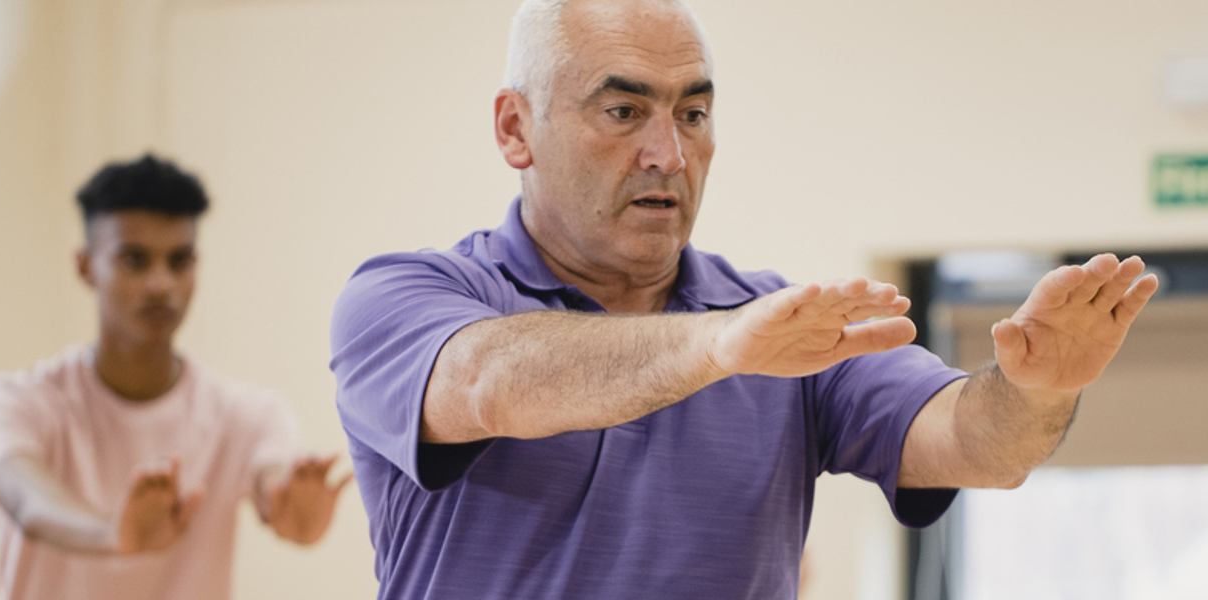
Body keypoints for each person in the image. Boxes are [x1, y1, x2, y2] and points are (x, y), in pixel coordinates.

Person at [326, 0, 1161, 597]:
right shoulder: (408, 296)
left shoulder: (779, 326)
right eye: (623, 110)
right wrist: (714, 347)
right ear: (515, 128)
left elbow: (978, 444)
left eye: (693, 113)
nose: (669, 153)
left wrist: (1040, 388)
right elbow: (488, 382)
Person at [0, 154, 354, 600]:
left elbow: (273, 482)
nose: (161, 284)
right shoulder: (14, 402)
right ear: (85, 266)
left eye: (179, 261)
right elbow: (28, 503)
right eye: (134, 259)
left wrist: (290, 510)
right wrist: (114, 534)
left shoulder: (248, 414)